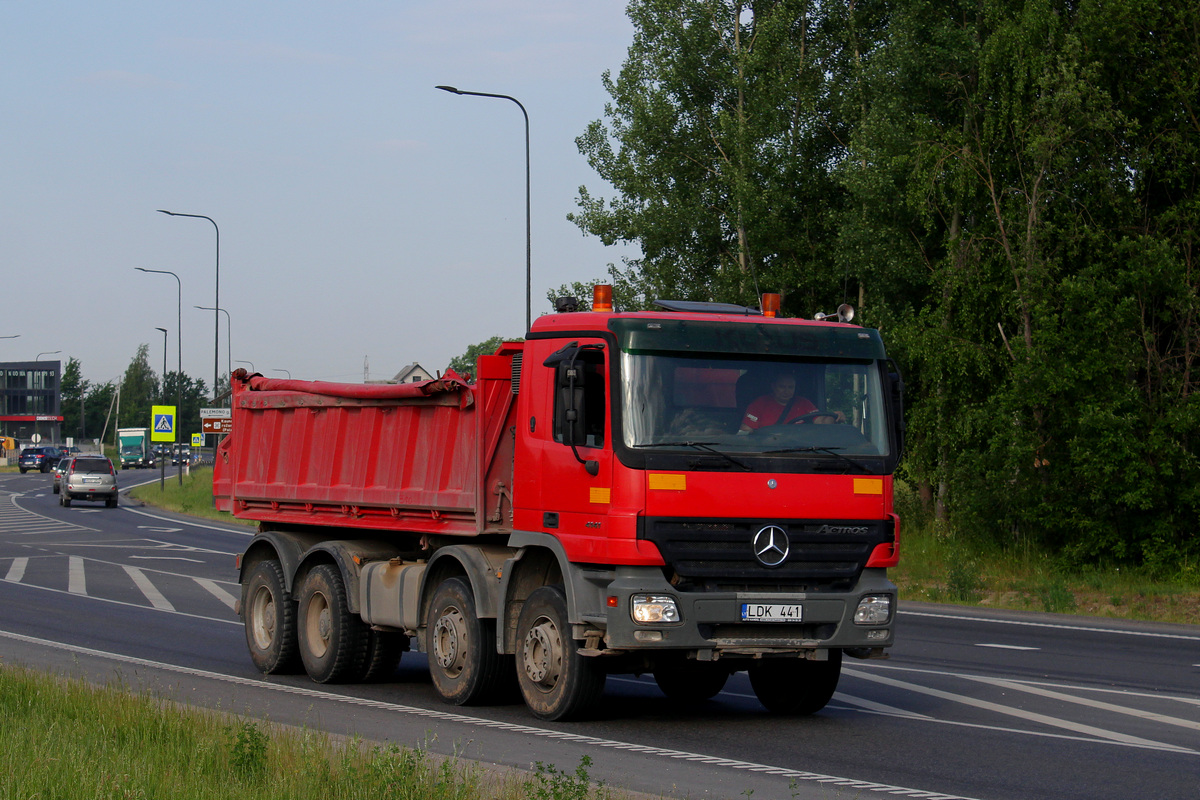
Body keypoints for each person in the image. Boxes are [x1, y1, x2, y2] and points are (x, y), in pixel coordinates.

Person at [738, 373, 842, 432]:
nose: (786, 391)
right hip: (767, 451)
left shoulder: (804, 403)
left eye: (790, 387)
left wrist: (834, 417)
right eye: (782, 387)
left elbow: (821, 422)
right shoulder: (759, 404)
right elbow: (746, 430)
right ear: (773, 386)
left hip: (799, 450)